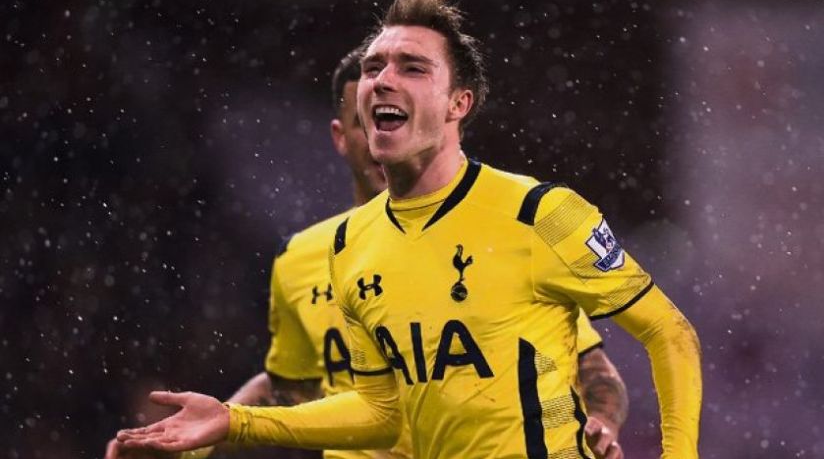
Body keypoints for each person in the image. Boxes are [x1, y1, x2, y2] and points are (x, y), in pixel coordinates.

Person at [109, 40, 630, 459]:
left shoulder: (501, 232)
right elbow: (291, 386)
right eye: (369, 119)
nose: (387, 131)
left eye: (401, 115)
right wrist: (194, 441)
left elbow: (591, 367)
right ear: (341, 137)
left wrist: (601, 423)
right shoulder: (301, 259)